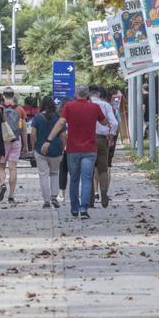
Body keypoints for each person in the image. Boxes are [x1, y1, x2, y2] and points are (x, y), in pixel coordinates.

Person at [43, 86, 110, 219]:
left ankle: (74, 208)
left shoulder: (69, 107)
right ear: (88, 95)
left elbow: (60, 123)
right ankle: (84, 209)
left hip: (73, 150)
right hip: (90, 150)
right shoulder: (94, 108)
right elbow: (104, 122)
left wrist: (48, 140)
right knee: (86, 180)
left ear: (75, 94)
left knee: (74, 179)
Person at [30, 96, 65, 208]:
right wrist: (63, 148)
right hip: (56, 151)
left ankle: (46, 201)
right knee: (55, 173)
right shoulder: (58, 118)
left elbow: (33, 135)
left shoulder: (37, 118)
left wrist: (33, 147)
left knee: (43, 175)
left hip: (40, 151)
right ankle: (54, 197)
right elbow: (64, 135)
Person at [90, 86, 119, 208]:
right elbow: (115, 123)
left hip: (88, 140)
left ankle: (90, 197)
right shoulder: (106, 105)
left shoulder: (86, 104)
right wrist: (111, 137)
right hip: (102, 139)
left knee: (89, 170)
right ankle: (103, 191)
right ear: (98, 93)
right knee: (103, 169)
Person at [0, 87, 26, 204]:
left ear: (3, 96)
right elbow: (23, 129)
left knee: (0, 166)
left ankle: (3, 184)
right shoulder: (20, 110)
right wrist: (25, 145)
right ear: (13, 96)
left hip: (2, 141)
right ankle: (11, 195)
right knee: (13, 168)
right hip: (15, 140)